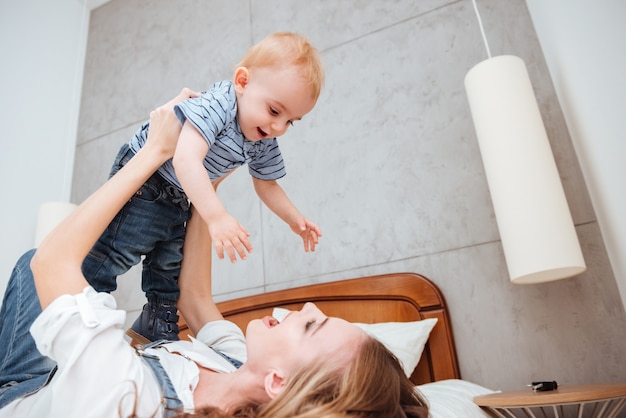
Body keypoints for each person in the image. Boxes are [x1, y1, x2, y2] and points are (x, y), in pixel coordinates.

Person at [0, 90, 428, 417]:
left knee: (31, 263)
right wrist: (209, 190)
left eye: (311, 326)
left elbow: (52, 264)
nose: (306, 306)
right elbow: (196, 299)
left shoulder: (133, 398)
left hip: (27, 389)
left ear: (279, 382)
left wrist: (156, 151)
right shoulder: (242, 365)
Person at [81, 32, 325, 344]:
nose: (279, 127)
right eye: (275, 111)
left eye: (292, 121)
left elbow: (267, 184)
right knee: (116, 249)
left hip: (179, 195)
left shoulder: (263, 138)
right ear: (242, 81)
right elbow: (185, 159)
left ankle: (155, 322)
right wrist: (216, 217)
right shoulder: (219, 104)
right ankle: (82, 306)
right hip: (148, 179)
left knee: (168, 266)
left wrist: (294, 218)